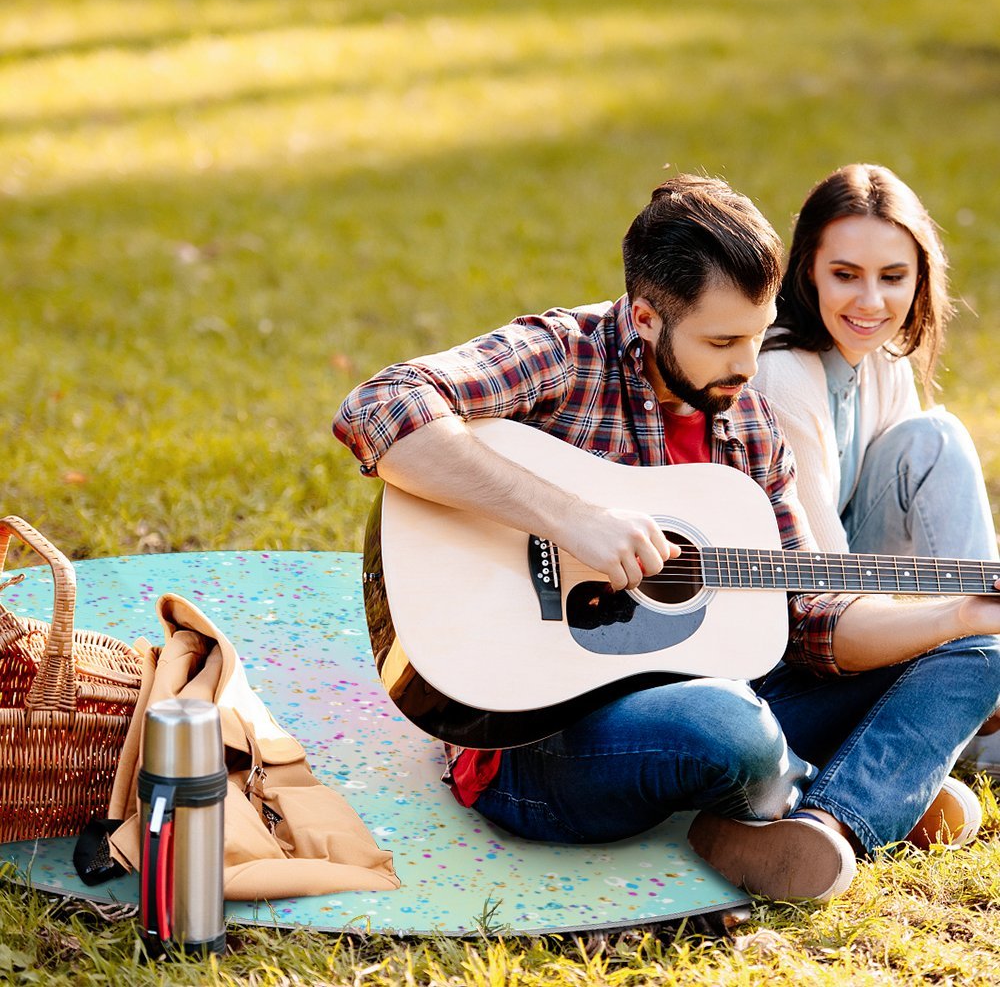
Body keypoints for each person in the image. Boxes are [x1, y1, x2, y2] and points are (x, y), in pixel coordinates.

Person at [333, 174, 1000, 903]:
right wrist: (569, 517)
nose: (748, 367)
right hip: (537, 742)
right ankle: (862, 783)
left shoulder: (748, 423)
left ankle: (830, 823)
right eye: (722, 341)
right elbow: (380, 406)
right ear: (646, 317)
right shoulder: (564, 354)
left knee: (980, 652)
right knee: (729, 729)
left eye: (757, 333)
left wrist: (956, 615)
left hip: (723, 696)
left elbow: (809, 616)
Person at [753, 163, 1000, 774]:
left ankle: (979, 682)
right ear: (807, 268)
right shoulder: (783, 373)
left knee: (931, 438)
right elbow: (823, 590)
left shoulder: (881, 356)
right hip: (793, 634)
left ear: (920, 278)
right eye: (845, 275)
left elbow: (919, 537)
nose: (871, 302)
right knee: (937, 437)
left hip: (857, 599)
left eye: (893, 277)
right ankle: (978, 715)